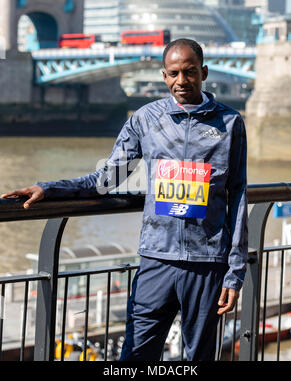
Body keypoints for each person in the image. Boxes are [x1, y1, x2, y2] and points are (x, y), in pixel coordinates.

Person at [1, 39, 248, 361]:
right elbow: (105, 179)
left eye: (189, 72)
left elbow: (238, 194)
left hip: (207, 263)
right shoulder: (146, 119)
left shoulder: (230, 123)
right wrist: (49, 189)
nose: (181, 81)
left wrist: (235, 271)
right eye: (174, 73)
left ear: (203, 72)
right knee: (135, 356)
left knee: (199, 357)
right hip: (156, 258)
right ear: (164, 76)